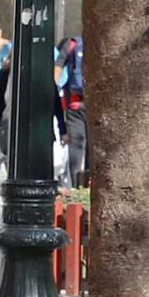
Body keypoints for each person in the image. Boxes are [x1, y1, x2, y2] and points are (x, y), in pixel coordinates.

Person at [55, 35, 87, 186]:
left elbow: (58, 65)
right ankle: (88, 185)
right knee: (92, 147)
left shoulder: (72, 44)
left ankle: (76, 186)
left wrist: (54, 86)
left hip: (74, 104)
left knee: (76, 145)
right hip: (92, 105)